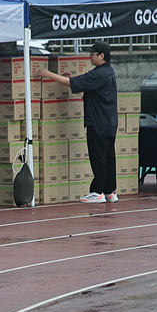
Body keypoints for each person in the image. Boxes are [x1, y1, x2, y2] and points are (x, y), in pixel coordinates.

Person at [48, 42, 117, 202]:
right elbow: (84, 81)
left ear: (101, 55)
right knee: (108, 157)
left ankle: (97, 191)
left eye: (92, 54)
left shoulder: (99, 73)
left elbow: (73, 83)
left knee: (98, 157)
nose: (90, 57)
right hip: (109, 122)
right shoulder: (107, 71)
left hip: (98, 122)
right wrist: (73, 78)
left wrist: (50, 74)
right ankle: (109, 191)